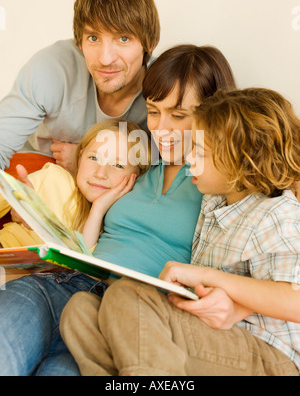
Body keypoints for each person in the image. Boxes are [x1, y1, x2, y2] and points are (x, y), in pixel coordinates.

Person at [0, 44, 236, 376]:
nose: (161, 128)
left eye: (179, 115)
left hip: (125, 319)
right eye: (154, 111)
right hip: (63, 285)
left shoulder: (219, 189)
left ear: (216, 114)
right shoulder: (135, 170)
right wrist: (37, 211)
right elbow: (83, 193)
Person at [60, 87, 300, 376]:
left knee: (128, 294)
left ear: (241, 162)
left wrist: (209, 277)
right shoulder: (214, 201)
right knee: (80, 310)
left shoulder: (275, 213)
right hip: (209, 332)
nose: (189, 160)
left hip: (269, 356)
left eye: (200, 152)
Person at [0, 0, 160, 172]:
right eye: (93, 38)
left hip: (112, 187)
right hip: (33, 169)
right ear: (79, 42)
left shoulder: (166, 89)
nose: (105, 59)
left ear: (150, 43)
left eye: (123, 39)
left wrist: (86, 158)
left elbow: (176, 165)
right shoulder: (53, 67)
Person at [0, 118, 148, 249]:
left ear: (137, 177)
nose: (100, 173)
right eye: (94, 158)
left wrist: (97, 210)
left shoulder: (118, 224)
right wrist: (16, 201)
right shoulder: (55, 178)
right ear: (79, 158)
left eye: (118, 165)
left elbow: (81, 265)